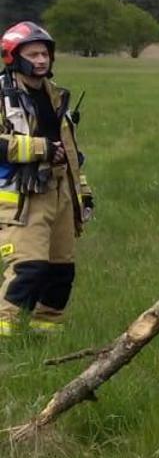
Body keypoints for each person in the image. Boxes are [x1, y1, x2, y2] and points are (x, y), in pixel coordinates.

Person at [0, 22, 92, 336]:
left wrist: (83, 190)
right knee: (29, 268)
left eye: (45, 54)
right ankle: (4, 329)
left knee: (61, 269)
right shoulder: (3, 95)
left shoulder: (56, 97)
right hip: (23, 195)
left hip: (60, 189)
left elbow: (70, 151)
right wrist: (39, 148)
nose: (41, 60)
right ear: (13, 56)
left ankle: (47, 331)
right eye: (33, 54)